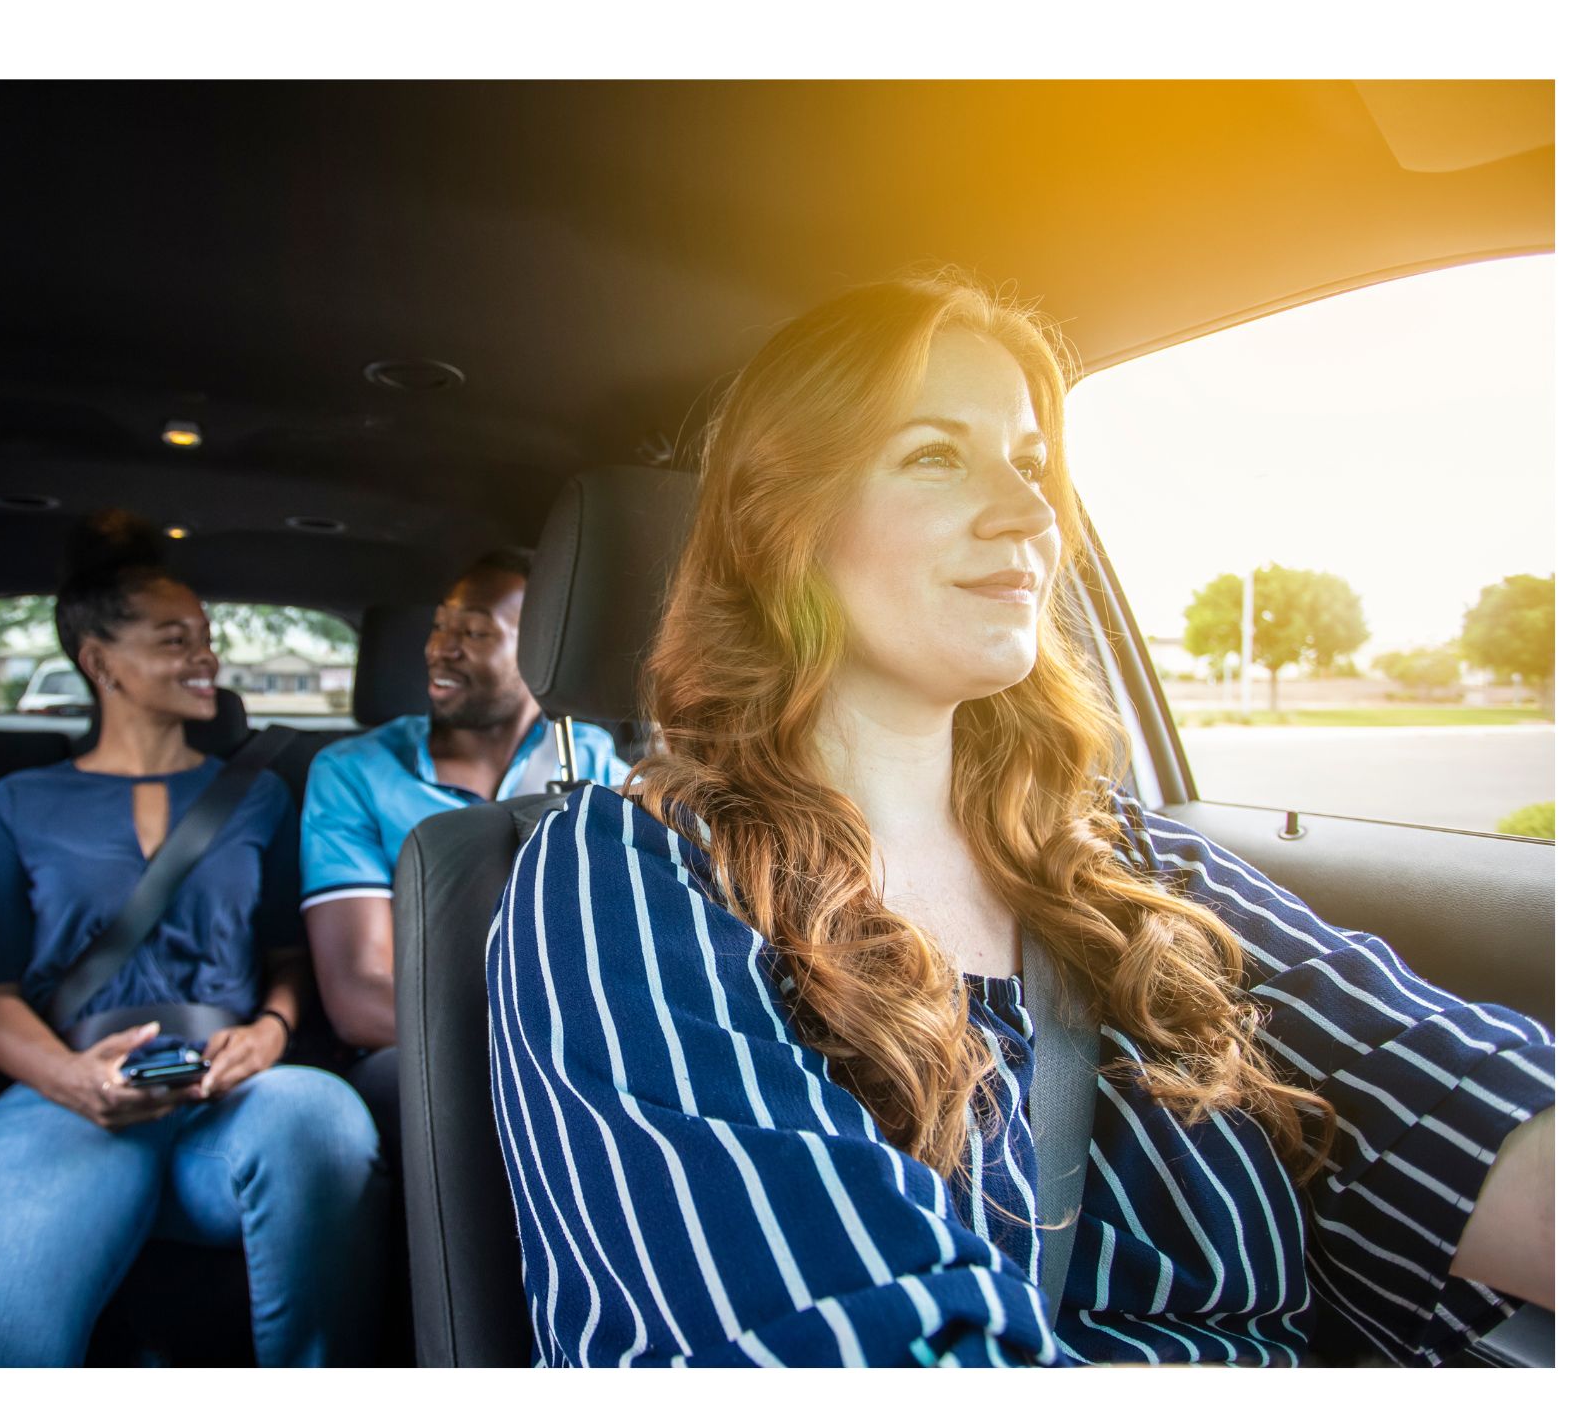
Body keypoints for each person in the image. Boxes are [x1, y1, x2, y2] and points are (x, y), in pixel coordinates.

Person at [488, 271, 1555, 1367]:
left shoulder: (1129, 863)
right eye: (934, 456)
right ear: (781, 525)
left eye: (1032, 463)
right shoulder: (624, 878)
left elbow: (1448, 1100)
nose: (1033, 514)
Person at [0, 511, 383, 1367]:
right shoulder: (18, 801)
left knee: (322, 1114)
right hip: (66, 1093)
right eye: (173, 639)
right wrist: (72, 1078)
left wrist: (268, 1034)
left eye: (206, 637)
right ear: (99, 662)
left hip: (233, 1097)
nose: (207, 658)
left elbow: (284, 958)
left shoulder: (261, 795)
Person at [300, 549, 630, 1141]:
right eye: (439, 626)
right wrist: (547, 1046)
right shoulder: (355, 772)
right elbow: (357, 996)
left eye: (475, 631)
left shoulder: (596, 766)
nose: (439, 648)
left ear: (541, 654)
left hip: (583, 1051)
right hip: (422, 1052)